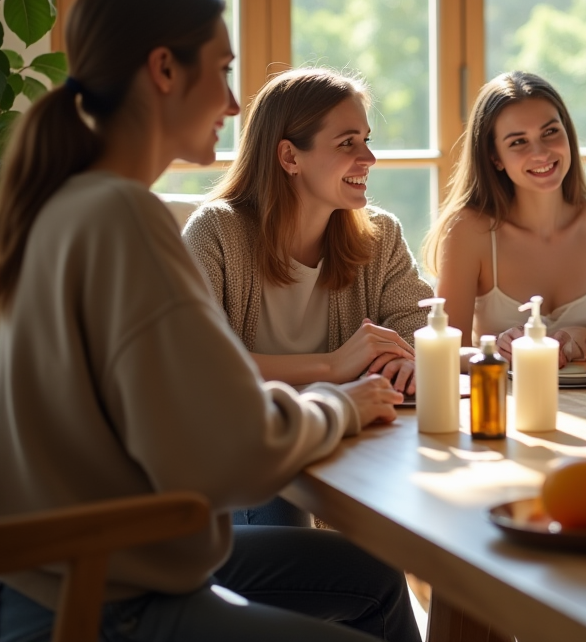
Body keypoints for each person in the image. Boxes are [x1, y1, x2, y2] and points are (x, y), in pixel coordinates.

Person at [0, 0, 420, 642]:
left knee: (372, 578)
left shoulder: (80, 203)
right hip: (92, 601)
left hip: (91, 571)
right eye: (222, 69)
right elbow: (232, 450)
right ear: (164, 70)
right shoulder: (125, 219)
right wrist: (341, 402)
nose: (235, 102)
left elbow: (188, 416)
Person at [182, 67, 432, 526]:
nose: (369, 158)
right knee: (292, 513)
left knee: (388, 542)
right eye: (347, 143)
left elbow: (418, 330)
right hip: (237, 471)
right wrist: (333, 365)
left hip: (347, 449)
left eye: (367, 140)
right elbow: (199, 367)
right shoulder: (215, 233)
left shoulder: (381, 236)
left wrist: (406, 359)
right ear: (289, 157)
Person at [424, 71, 586, 363]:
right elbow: (443, 353)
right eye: (518, 142)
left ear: (567, 133)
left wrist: (582, 336)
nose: (541, 153)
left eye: (550, 132)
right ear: (494, 157)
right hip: (505, 403)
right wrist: (494, 351)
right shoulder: (468, 230)